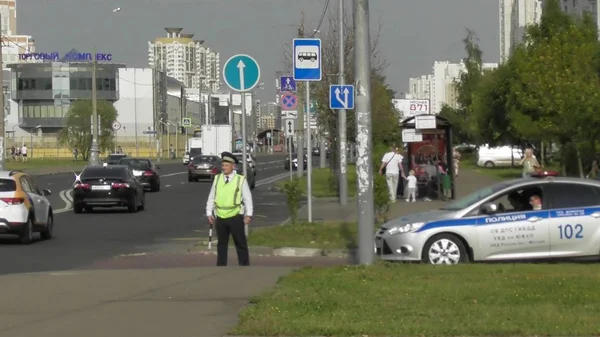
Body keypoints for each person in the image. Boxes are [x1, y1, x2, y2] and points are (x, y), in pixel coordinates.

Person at [205, 151, 253, 266]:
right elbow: (212, 196)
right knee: (222, 244)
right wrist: (208, 212)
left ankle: (244, 265)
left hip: (235, 216)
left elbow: (247, 198)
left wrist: (248, 214)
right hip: (220, 216)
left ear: (233, 166)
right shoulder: (217, 179)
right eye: (223, 165)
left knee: (240, 242)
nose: (224, 168)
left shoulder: (240, 180)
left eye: (226, 166)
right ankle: (221, 266)